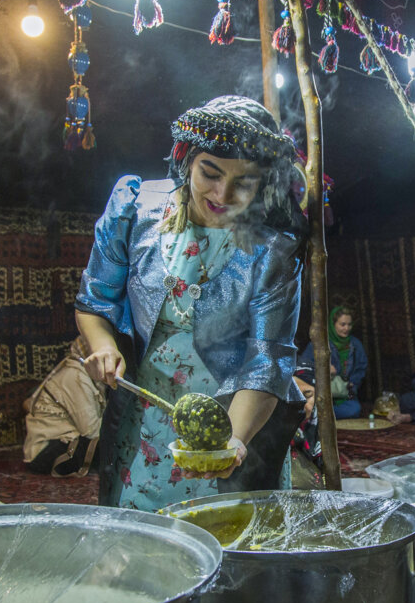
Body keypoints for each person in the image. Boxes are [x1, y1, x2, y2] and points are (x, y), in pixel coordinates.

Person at [75, 95, 307, 512]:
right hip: (146, 420)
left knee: (229, 536)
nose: (222, 194)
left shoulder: (272, 251)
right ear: (186, 158)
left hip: (238, 418)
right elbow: (95, 301)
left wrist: (231, 442)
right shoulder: (135, 210)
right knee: (147, 537)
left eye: (243, 183)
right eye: (210, 173)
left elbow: (267, 361)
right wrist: (104, 347)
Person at [22, 336, 108, 477]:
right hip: (47, 452)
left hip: (64, 442)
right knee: (116, 445)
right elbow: (92, 431)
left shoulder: (82, 371)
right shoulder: (76, 375)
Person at [299, 305, 367, 419]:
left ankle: (322, 415)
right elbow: (303, 367)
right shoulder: (319, 344)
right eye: (342, 324)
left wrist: (352, 384)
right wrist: (322, 369)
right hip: (320, 394)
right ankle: (320, 413)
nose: (346, 328)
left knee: (354, 409)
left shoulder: (355, 345)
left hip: (344, 394)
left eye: (349, 324)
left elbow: (361, 368)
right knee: (310, 407)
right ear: (333, 324)